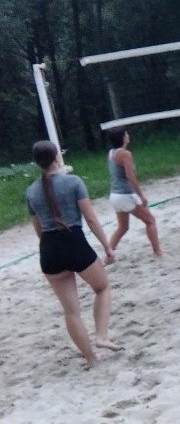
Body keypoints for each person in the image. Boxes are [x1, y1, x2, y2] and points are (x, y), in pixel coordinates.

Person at [25, 140, 121, 367]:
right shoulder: (73, 182)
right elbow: (91, 218)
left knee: (71, 311)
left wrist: (52, 249)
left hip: (49, 249)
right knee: (102, 288)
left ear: (37, 163)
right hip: (73, 241)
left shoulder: (30, 191)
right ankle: (101, 336)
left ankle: (91, 359)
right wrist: (107, 247)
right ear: (56, 158)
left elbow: (38, 230)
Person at [106, 127, 162, 257]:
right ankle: (157, 251)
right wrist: (141, 196)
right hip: (125, 194)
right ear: (122, 138)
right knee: (150, 221)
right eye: (126, 134)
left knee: (122, 228)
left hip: (114, 195)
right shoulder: (125, 154)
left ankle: (108, 255)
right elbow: (130, 177)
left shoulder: (111, 153)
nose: (128, 136)